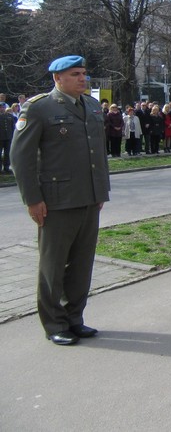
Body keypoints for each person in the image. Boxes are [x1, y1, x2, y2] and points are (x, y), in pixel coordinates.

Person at [10, 55, 110, 345]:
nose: (83, 79)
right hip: (56, 201)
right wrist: (33, 199)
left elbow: (98, 153)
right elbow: (21, 158)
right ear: (58, 78)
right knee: (53, 266)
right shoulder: (39, 108)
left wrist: (100, 191)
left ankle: (75, 318)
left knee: (82, 264)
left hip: (89, 198)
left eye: (84, 73)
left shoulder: (91, 106)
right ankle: (54, 323)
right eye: (75, 74)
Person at [0, 102, 14, 173]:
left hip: (8, 137)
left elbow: (12, 126)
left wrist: (12, 136)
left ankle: (6, 167)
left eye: (3, 107)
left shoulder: (9, 116)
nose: (2, 108)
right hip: (0, 138)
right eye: (0, 107)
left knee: (7, 153)